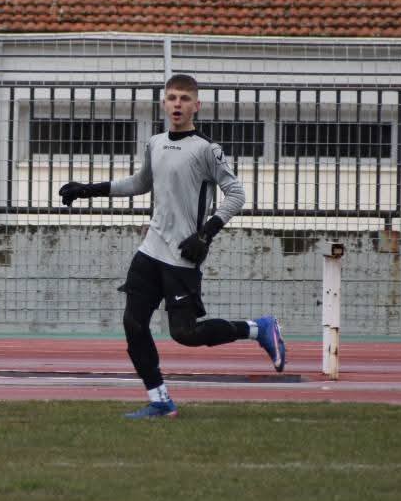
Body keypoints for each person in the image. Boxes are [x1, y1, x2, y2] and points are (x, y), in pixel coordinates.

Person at [58, 73, 284, 419]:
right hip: (150, 250)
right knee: (134, 325)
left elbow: (236, 194)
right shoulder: (155, 143)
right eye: (172, 98)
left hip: (182, 256)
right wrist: (89, 189)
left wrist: (206, 233)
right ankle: (160, 401)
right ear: (164, 103)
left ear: (197, 105)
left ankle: (258, 328)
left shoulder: (206, 149)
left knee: (185, 334)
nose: (177, 104)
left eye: (184, 98)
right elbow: (140, 182)